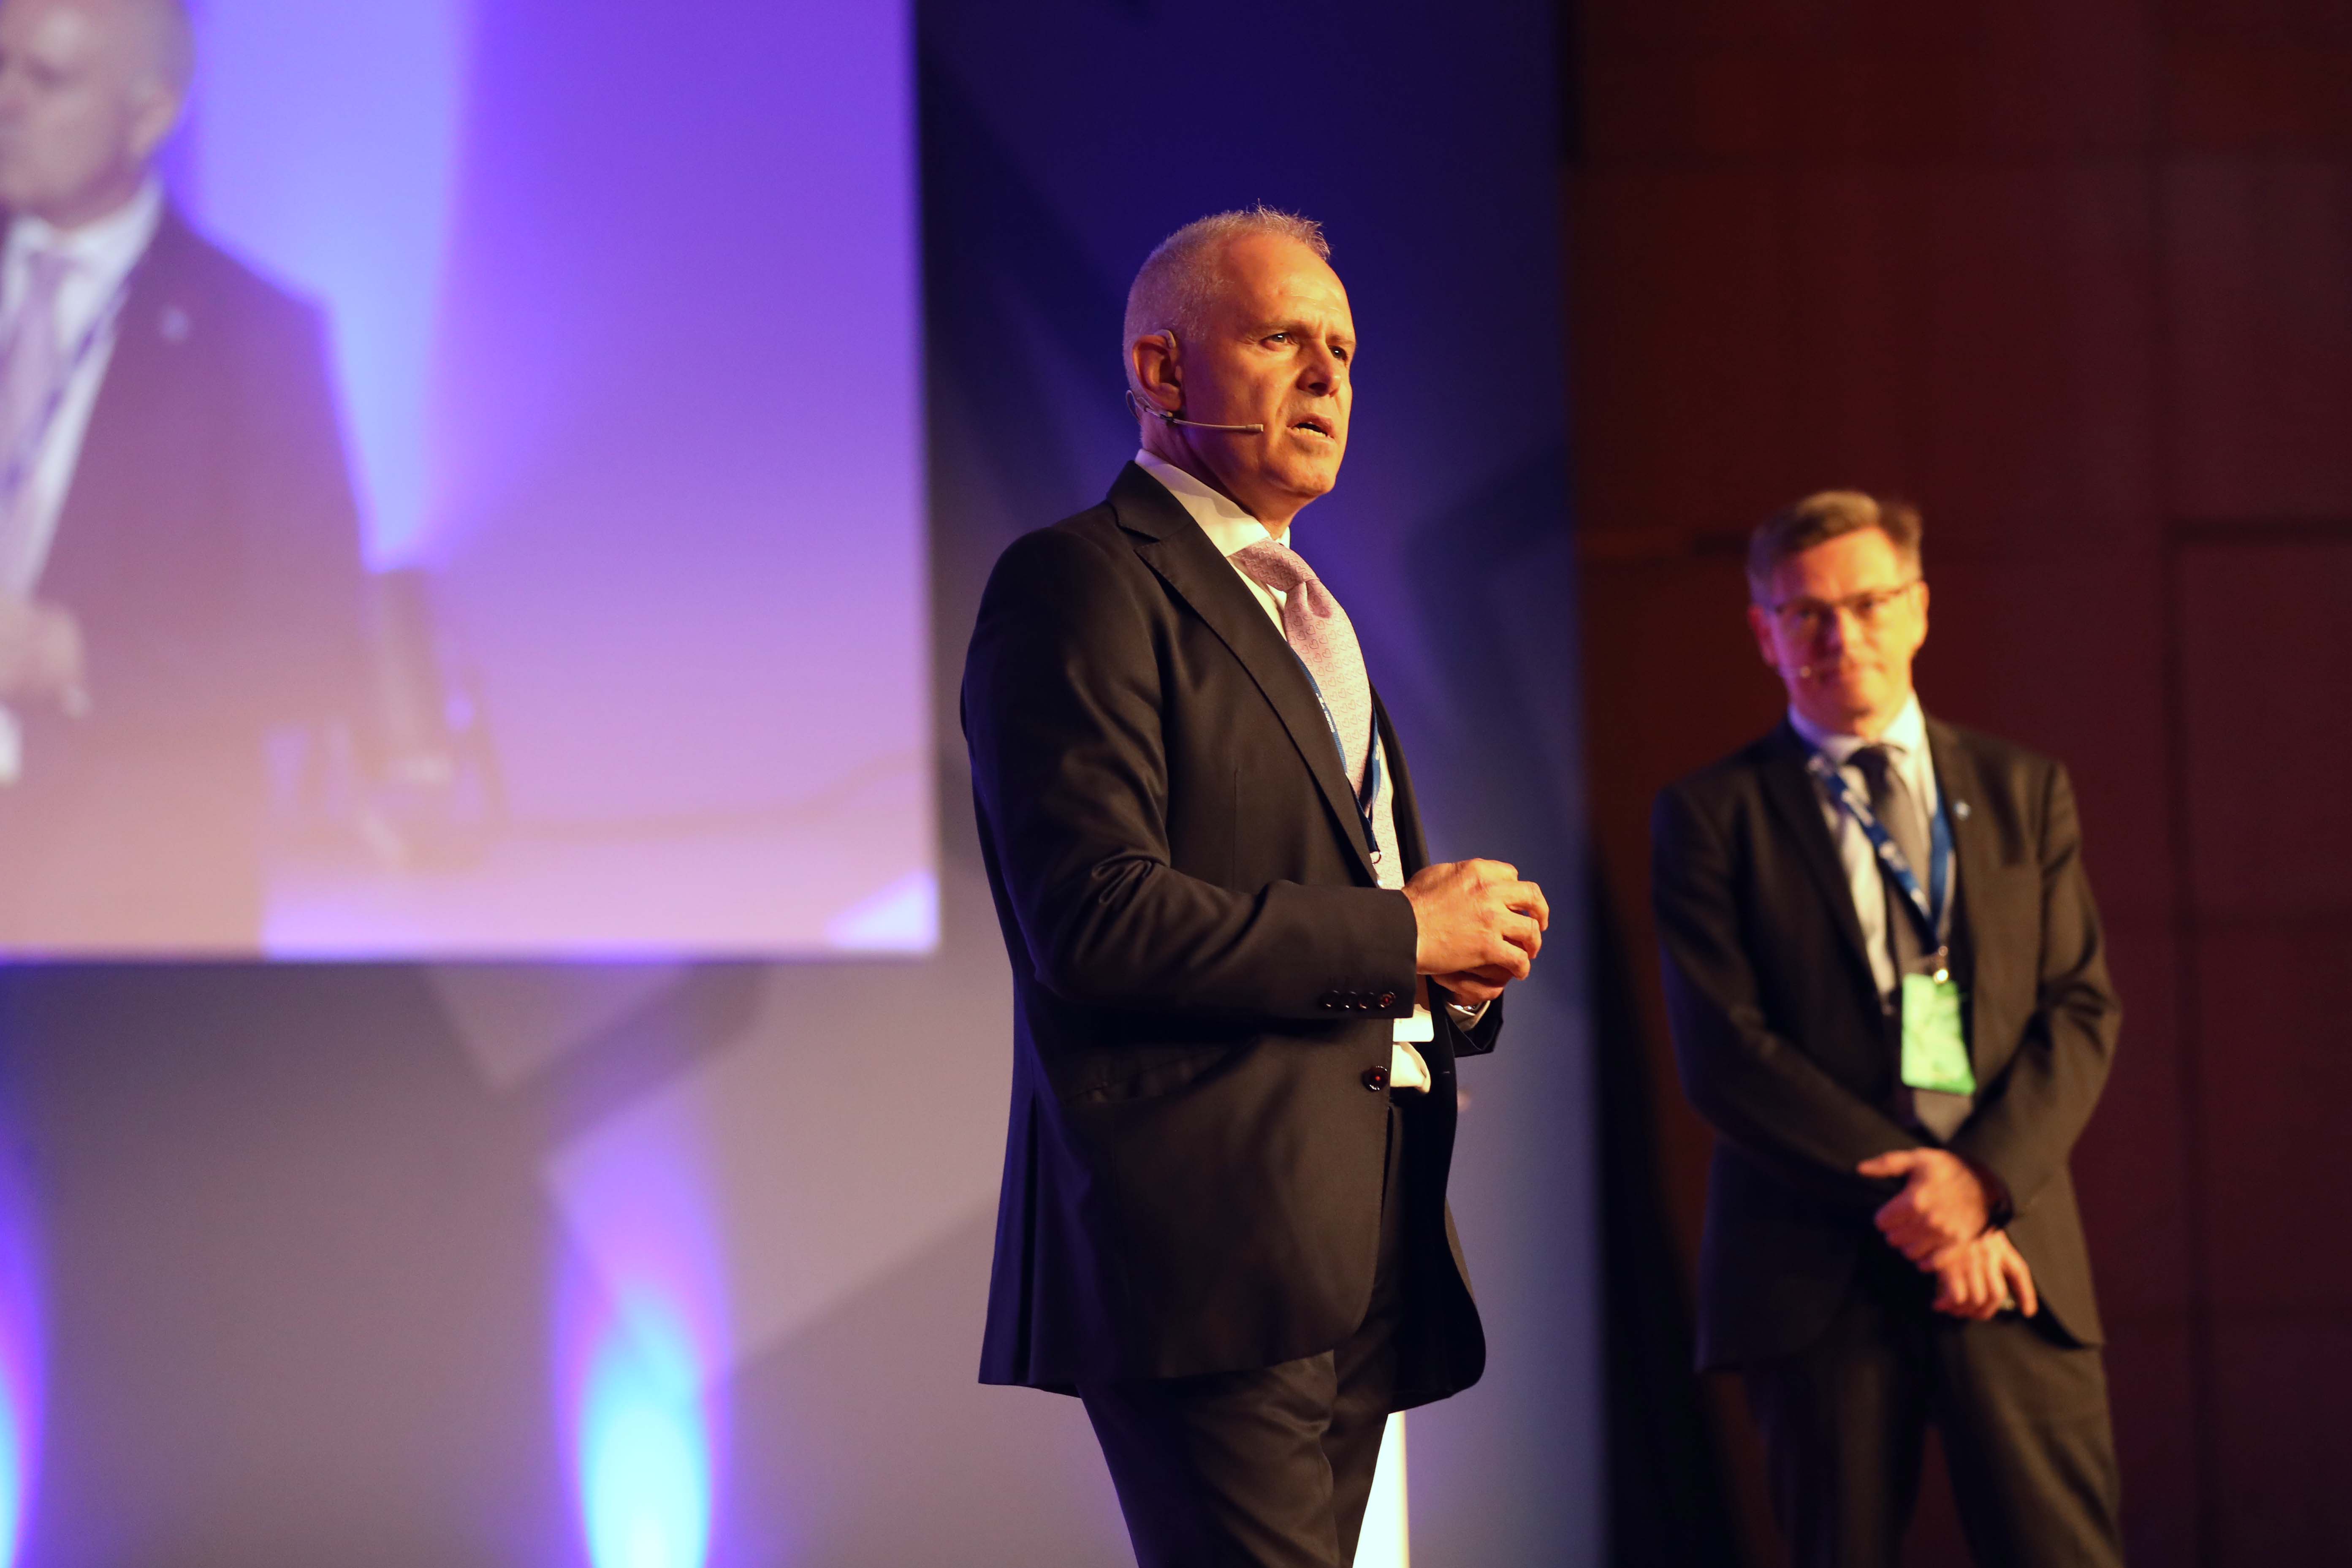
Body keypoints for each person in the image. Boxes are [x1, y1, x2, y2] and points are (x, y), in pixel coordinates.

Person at [961, 207, 1548, 1567]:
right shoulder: (1081, 581)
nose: (1329, 375)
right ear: (1161, 371)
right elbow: (1095, 919)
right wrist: (1403, 931)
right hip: (1208, 1248)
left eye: (1343, 349)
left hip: (1359, 1226)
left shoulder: (1306, 609)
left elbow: (1342, 895)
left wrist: (1451, 970)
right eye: (1283, 338)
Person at [1651, 491, 2126, 1566]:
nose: (1840, 636)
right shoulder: (1710, 815)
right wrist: (1925, 1203)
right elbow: (1725, 1055)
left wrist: (1978, 1185)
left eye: (1867, 604)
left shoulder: (2022, 790)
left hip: (2010, 1258)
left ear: (1916, 608)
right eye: (1806, 613)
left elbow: (2078, 1011)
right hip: (1815, 1278)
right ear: (1763, 631)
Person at [0, 0, 366, 949]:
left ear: (149, 114)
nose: (6, 101)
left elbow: (317, 641)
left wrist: (68, 659)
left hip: (123, 903)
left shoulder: (253, 337)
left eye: (47, 80)